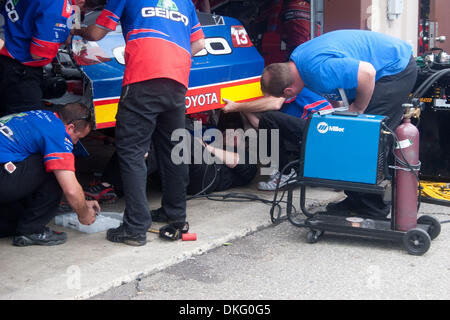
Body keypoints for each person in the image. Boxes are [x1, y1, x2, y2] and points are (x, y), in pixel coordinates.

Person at [73, 0, 205, 246]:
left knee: (131, 151)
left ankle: (135, 228)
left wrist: (73, 30)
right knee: (172, 150)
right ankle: (175, 215)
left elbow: (96, 33)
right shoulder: (184, 2)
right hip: (177, 80)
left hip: (143, 77)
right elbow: (199, 43)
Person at [260, 29, 418, 218]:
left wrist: (358, 108)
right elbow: (334, 85)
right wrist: (340, 111)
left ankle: (372, 207)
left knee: (369, 136)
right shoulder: (298, 63)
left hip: (393, 70)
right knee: (353, 134)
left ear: (288, 91)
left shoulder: (316, 69)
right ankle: (356, 199)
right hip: (383, 67)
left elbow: (366, 73)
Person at [0, 103, 100, 246]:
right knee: (54, 165)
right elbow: (70, 189)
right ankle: (31, 231)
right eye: (78, 138)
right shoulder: (58, 131)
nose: (76, 143)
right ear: (70, 128)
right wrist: (84, 214)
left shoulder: (40, 116)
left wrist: (82, 203)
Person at [222, 87, 331, 190]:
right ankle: (291, 172)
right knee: (268, 128)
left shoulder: (285, 93)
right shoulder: (290, 93)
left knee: (269, 122)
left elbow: (274, 106)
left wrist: (238, 106)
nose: (265, 97)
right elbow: (260, 125)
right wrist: (241, 106)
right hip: (322, 137)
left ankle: (286, 173)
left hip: (323, 137)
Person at [0, 0, 89, 117]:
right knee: (28, 121)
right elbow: (39, 54)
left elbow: (70, 37)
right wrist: (69, 29)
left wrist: (74, 15)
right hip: (19, 69)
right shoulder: (57, 8)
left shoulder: (70, 7)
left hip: (7, 50)